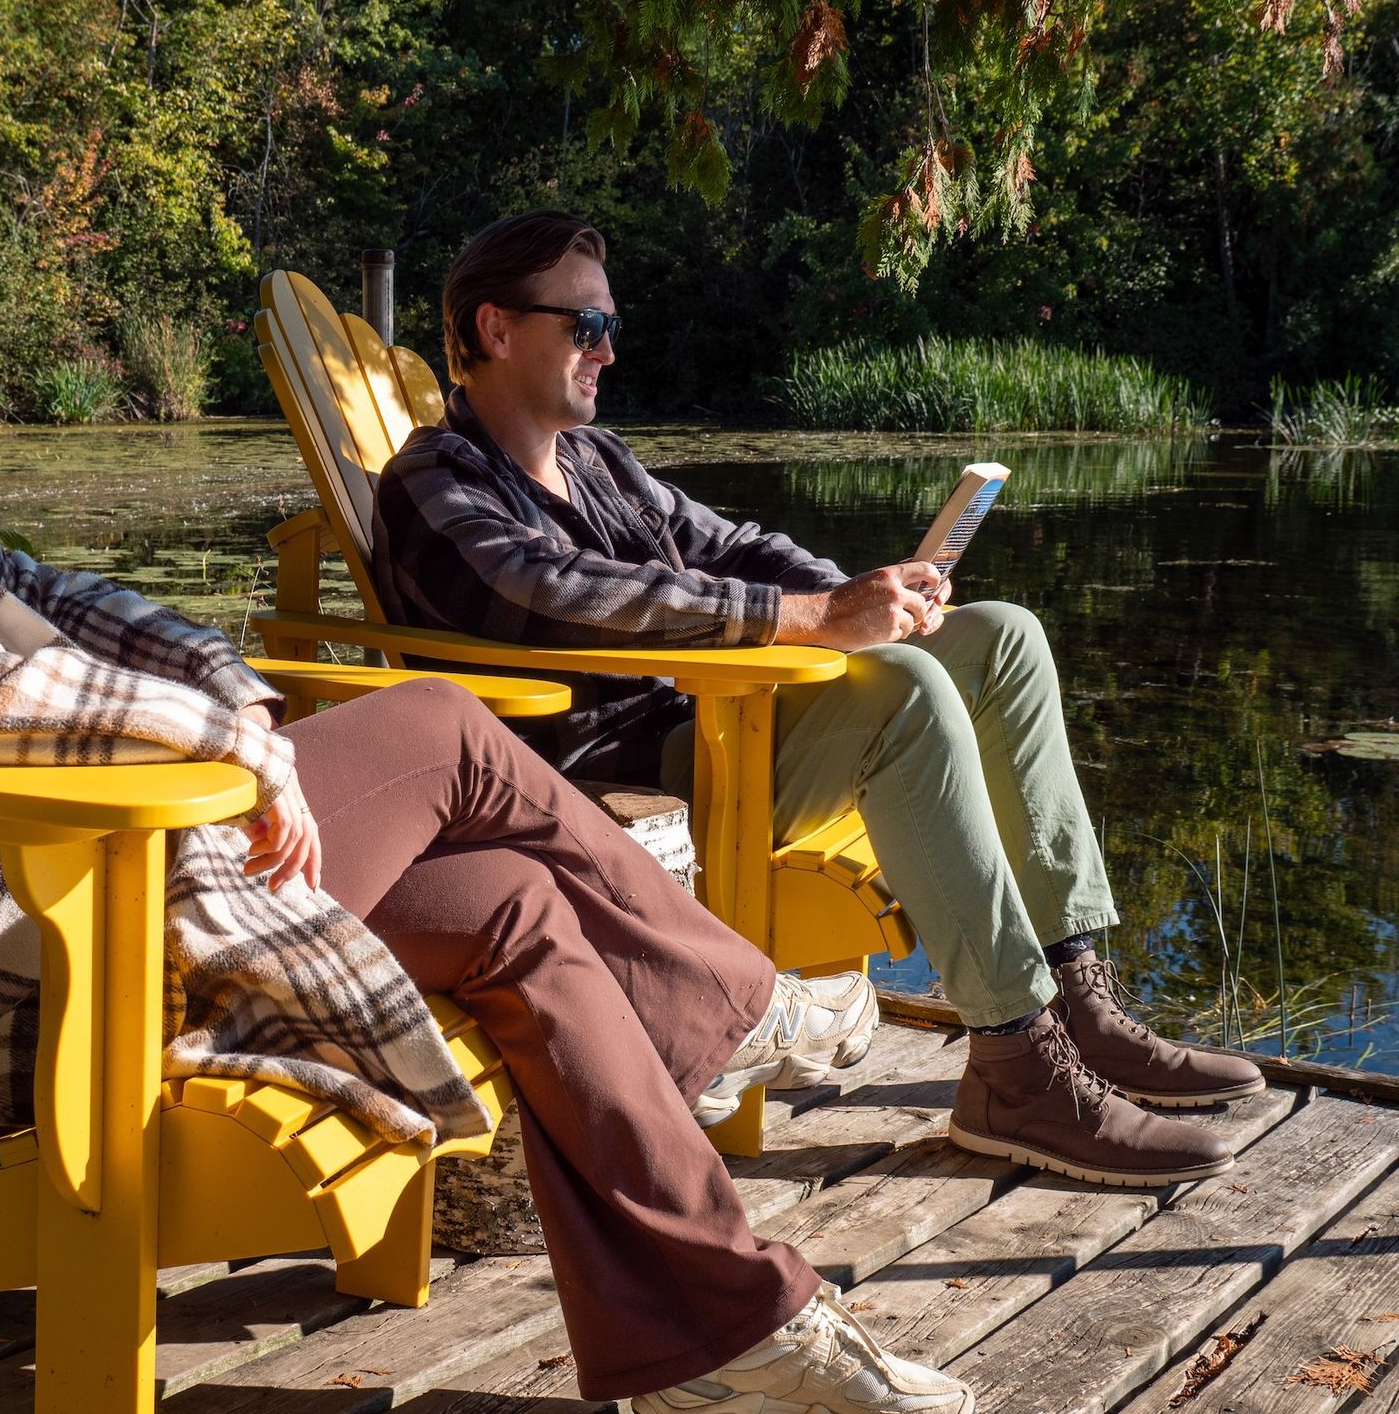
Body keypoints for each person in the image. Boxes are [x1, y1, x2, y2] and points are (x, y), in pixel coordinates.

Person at [0, 125, 971, 1414]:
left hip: (81, 904)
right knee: (441, 729)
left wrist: (221, 691)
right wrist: (203, 731)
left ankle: (730, 1341)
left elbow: (89, 607)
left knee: (510, 909)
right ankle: (740, 1001)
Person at [371, 210, 1268, 1193]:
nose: (610, 350)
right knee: (904, 694)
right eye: (585, 325)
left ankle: (1079, 1007)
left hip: (716, 726)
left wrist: (861, 598)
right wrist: (810, 618)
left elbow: (734, 544)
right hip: (608, 793)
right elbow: (555, 595)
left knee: (1004, 636)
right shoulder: (434, 479)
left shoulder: (600, 465)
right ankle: (1016, 1067)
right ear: (497, 330)